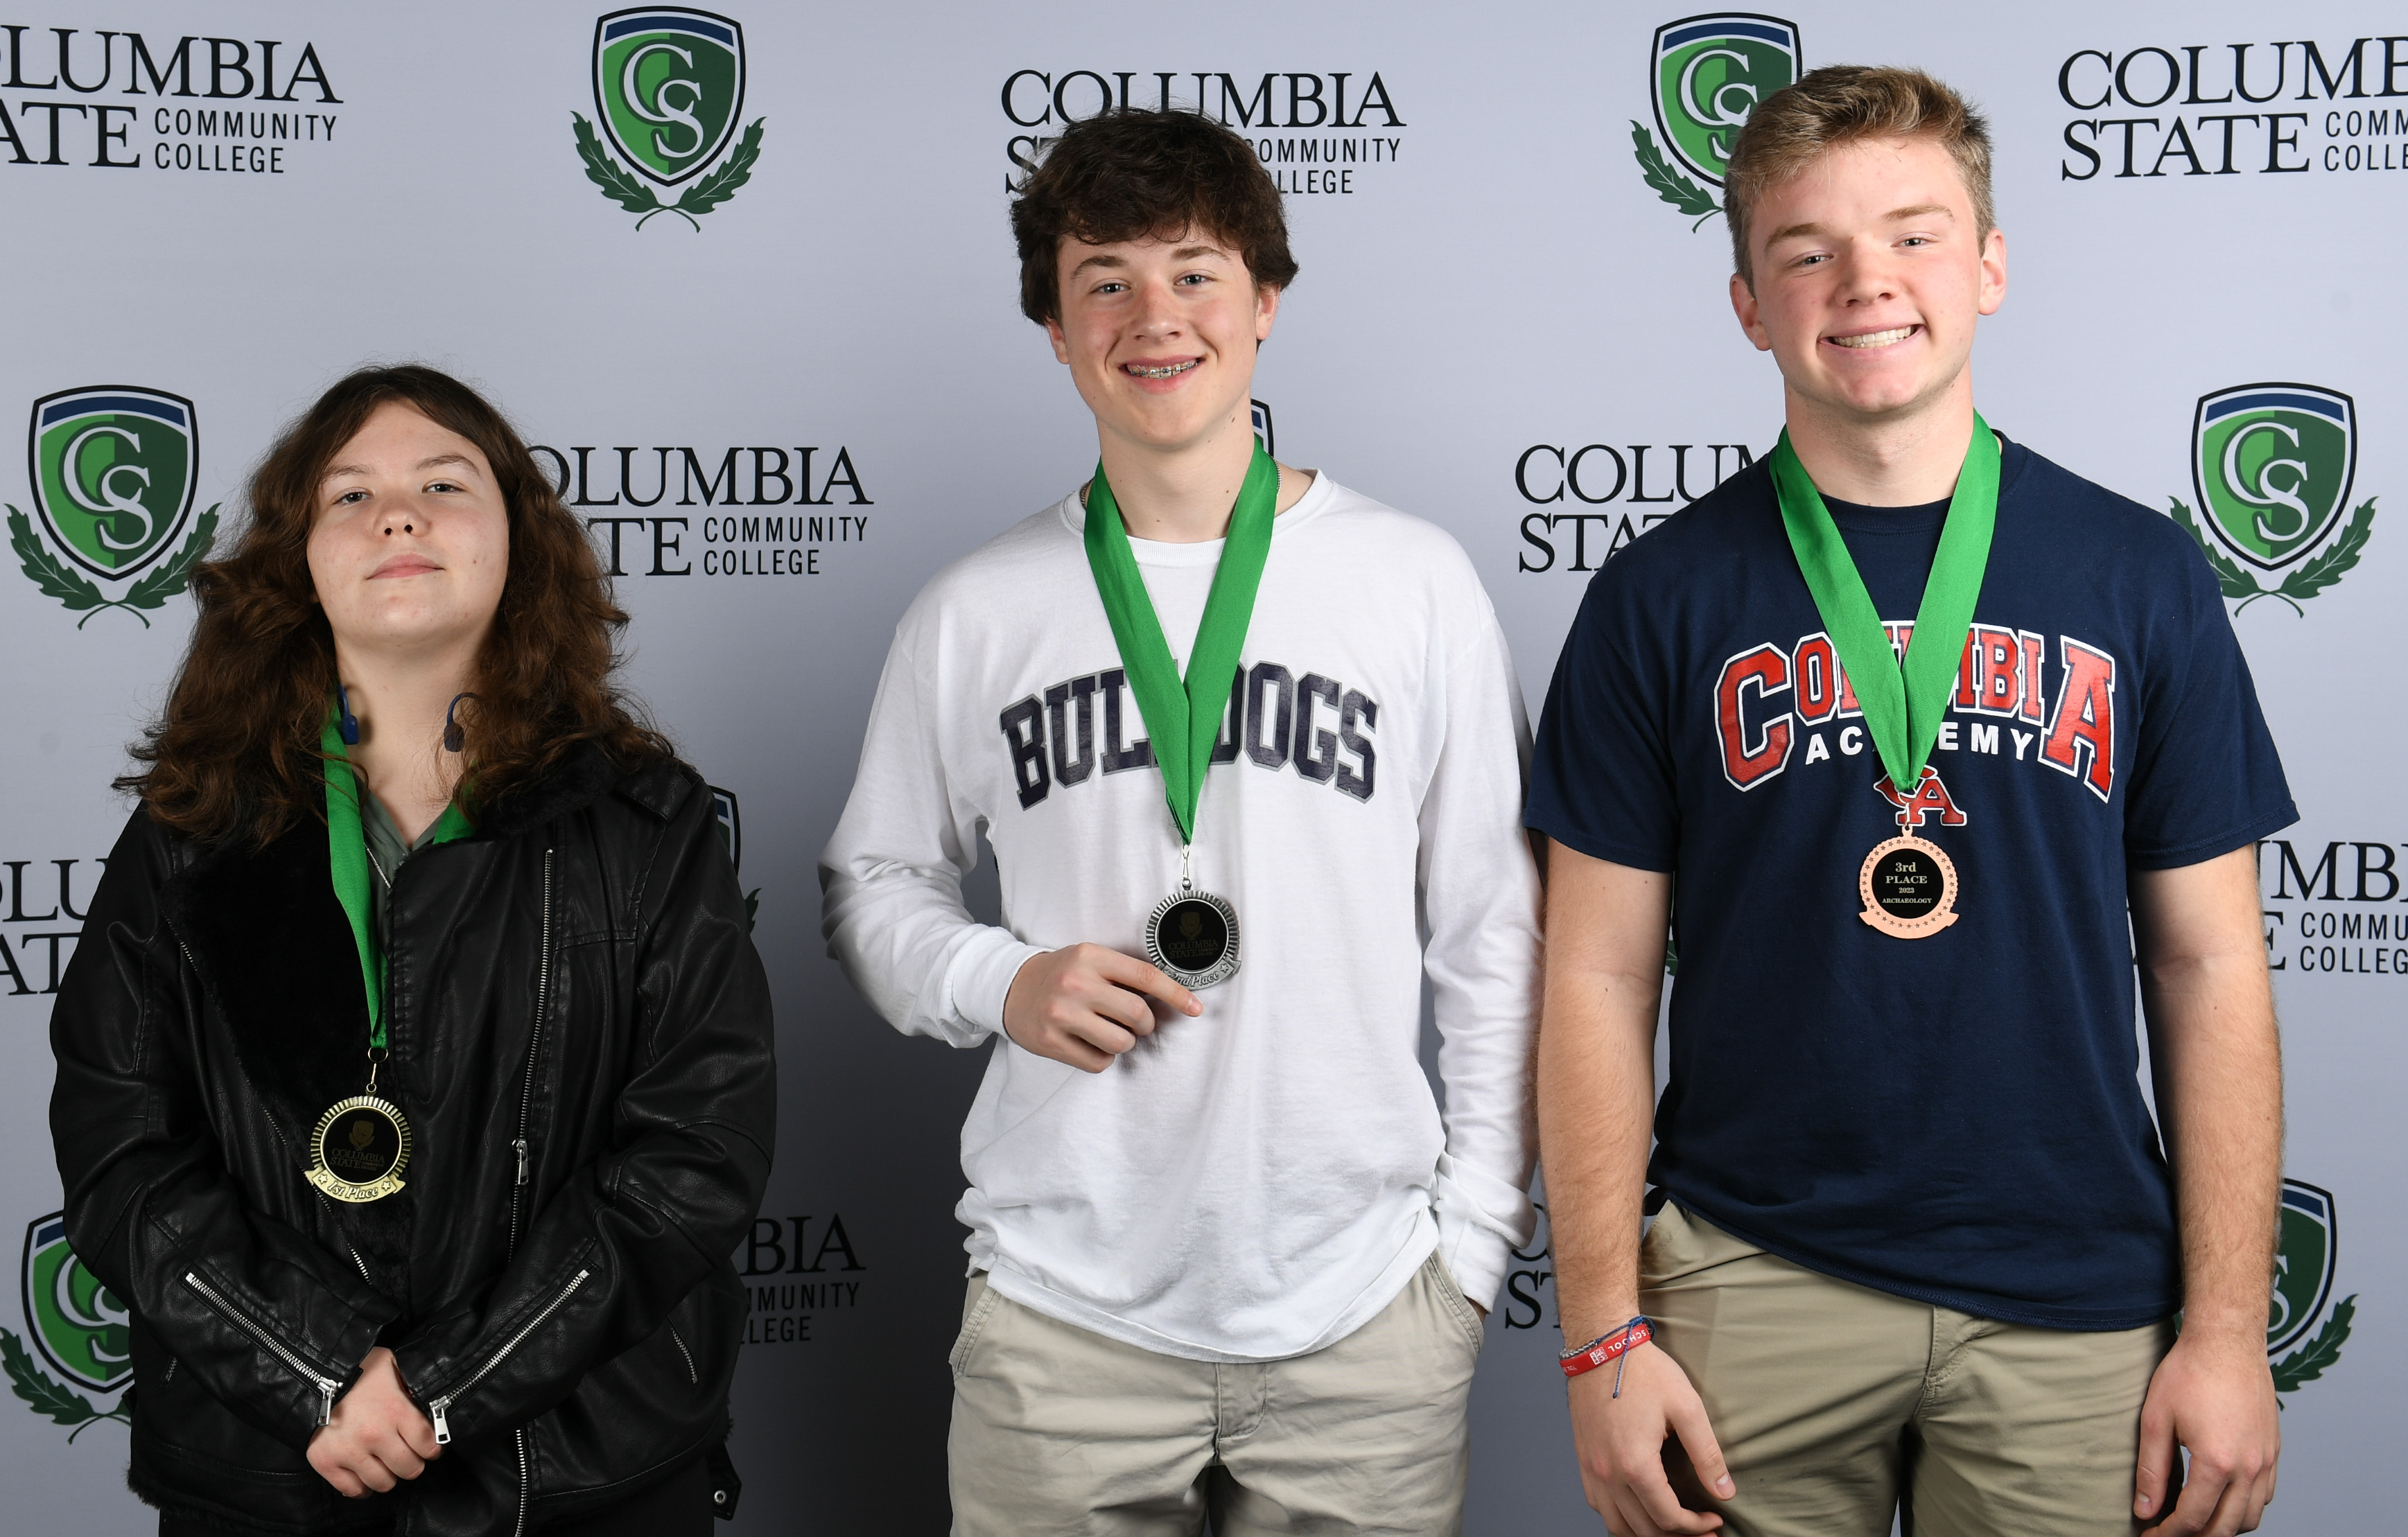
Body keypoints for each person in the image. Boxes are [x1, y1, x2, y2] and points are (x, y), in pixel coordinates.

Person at [1528, 67, 2290, 1537]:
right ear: (1749, 301)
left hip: (2075, 1297)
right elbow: (1597, 970)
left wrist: (2227, 1327)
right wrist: (1605, 1330)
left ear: (1992, 266)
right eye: (1807, 249)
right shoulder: (1656, 598)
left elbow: (2207, 963)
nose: (1865, 281)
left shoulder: (2140, 576)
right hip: (1749, 1282)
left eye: (1916, 233)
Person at [820, 107, 1540, 1534]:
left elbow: (1491, 930)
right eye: (1106, 279)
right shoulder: (978, 608)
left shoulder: (1413, 582)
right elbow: (873, 881)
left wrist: (1468, 1248)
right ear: (1055, 326)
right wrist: (996, 978)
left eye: (1197, 270)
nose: (1155, 316)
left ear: (1267, 302)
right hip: (1064, 1308)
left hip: (1363, 1305)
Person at [49, 365, 776, 1537]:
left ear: (517, 541)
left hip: (583, 1477)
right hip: (280, 1474)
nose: (398, 514)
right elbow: (119, 1147)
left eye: (444, 482)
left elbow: (696, 1154)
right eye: (349, 495)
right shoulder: (191, 831)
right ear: (297, 562)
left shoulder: (648, 821)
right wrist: (318, 1370)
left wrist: (443, 1387)